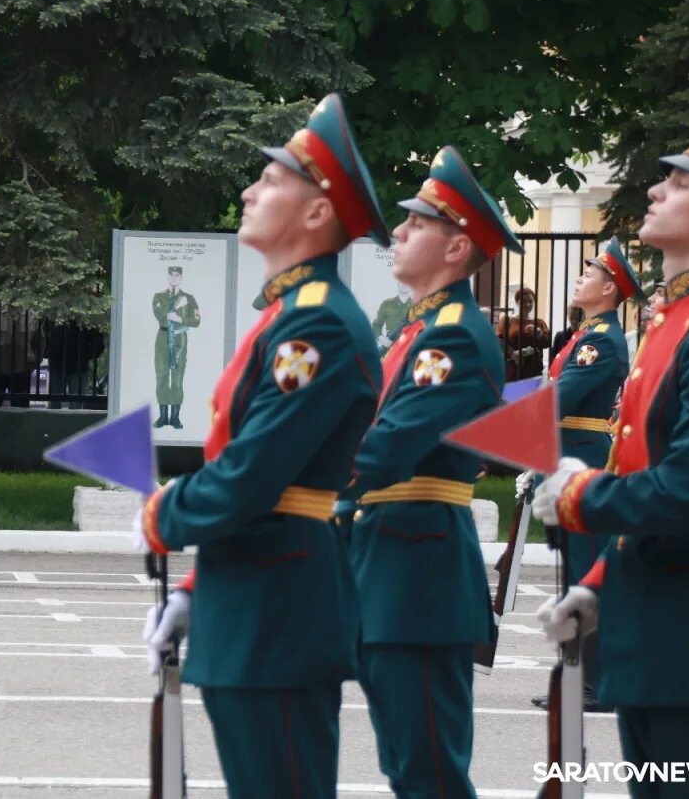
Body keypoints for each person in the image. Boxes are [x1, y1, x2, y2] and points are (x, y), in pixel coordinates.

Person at [139, 93, 388, 798]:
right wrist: (196, 588)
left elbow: (253, 472)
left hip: (277, 607)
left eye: (274, 179)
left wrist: (162, 514)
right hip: (252, 595)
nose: (250, 190)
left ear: (316, 212)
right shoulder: (291, 314)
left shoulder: (319, 325)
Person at [533, 94, 689, 795]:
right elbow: (648, 471)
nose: (658, 188)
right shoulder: (680, 320)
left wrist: (578, 494)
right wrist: (597, 586)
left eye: (685, 181)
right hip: (658, 620)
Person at [347, 145, 520, 797]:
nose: (397, 231)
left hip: (418, 583)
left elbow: (386, 447)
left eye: (417, 223)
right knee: (406, 767)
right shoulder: (419, 331)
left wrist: (287, 486)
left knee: (431, 775)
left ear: (456, 249)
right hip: (390, 571)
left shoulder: (454, 336)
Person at [521, 239, 643, 714]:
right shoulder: (587, 335)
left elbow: (557, 400)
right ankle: (580, 680)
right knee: (574, 573)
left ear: (609, 288)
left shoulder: (600, 341)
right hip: (566, 460)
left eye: (588, 273)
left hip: (583, 466)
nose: (578, 278)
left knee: (585, 573)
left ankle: (595, 684)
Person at [151, 267, 201, 429]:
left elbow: (196, 321)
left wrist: (180, 317)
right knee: (162, 377)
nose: (174, 278)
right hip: (163, 339)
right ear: (167, 277)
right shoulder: (159, 297)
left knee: (177, 380)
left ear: (181, 277)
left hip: (180, 340)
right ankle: (163, 416)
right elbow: (161, 317)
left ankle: (175, 417)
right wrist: (176, 306)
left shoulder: (189, 298)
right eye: (171, 275)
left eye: (177, 275)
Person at [0, 304, 42, 408]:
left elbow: (40, 341)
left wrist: (35, 361)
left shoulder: (32, 315)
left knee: (21, 410)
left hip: (22, 369)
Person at [45, 319, 105, 408]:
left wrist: (85, 355)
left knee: (74, 402)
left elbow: (98, 341)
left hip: (75, 365)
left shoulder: (84, 317)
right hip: (60, 364)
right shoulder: (56, 314)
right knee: (55, 401)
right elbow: (44, 334)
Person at [497, 286, 549, 379]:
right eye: (524, 301)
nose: (528, 304)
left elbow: (547, 343)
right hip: (513, 370)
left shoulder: (539, 323)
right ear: (517, 302)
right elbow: (499, 341)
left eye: (530, 301)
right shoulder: (507, 320)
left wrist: (539, 334)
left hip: (534, 370)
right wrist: (513, 354)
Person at [371, 283, 412, 355]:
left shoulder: (417, 305)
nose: (404, 284)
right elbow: (376, 325)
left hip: (410, 349)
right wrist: (382, 339)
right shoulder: (387, 304)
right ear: (398, 283)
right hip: (390, 349)